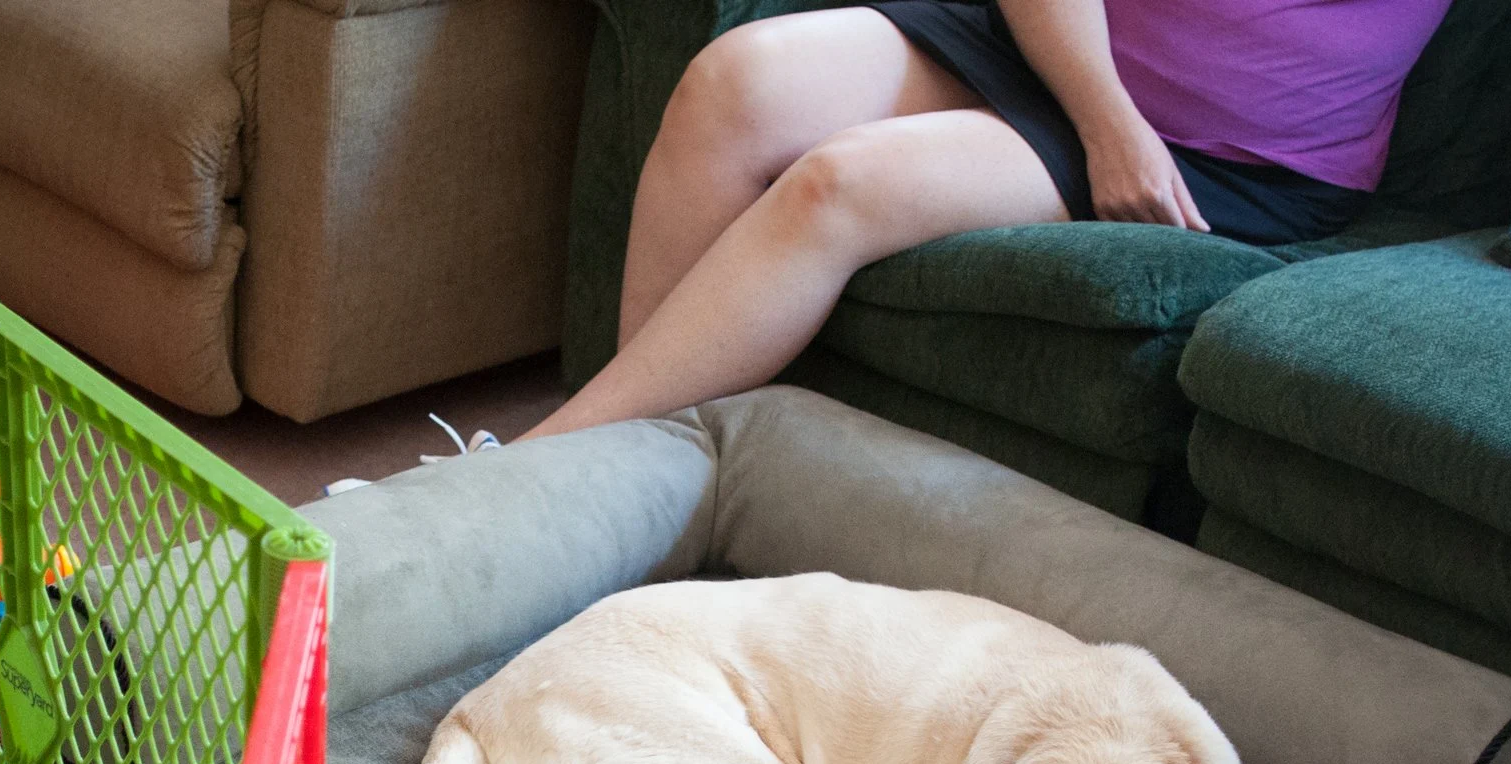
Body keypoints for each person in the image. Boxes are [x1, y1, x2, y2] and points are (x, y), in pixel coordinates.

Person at [524, 0, 1451, 439]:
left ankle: (539, 467)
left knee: (839, 186)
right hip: (1067, 61)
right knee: (736, 81)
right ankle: (623, 471)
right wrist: (1105, 121)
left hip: (1227, 156)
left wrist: (1124, 136)